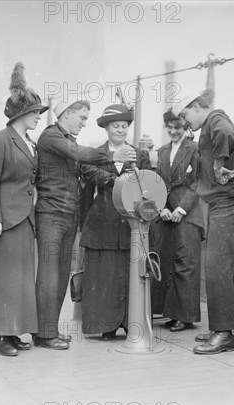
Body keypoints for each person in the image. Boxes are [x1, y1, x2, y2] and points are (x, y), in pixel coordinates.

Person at [34, 99, 137, 350]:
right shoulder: (51, 136)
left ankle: (49, 331)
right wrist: (114, 155)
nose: (84, 122)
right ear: (66, 114)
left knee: (59, 275)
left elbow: (85, 167)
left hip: (66, 215)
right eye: (81, 117)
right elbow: (80, 155)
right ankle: (44, 334)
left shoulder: (68, 140)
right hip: (52, 214)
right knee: (49, 274)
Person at [0, 62, 46, 356]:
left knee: (19, 280)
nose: (38, 118)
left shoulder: (30, 144)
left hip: (24, 221)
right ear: (21, 114)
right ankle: (0, 336)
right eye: (35, 113)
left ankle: (14, 332)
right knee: (2, 280)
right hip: (2, 223)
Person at [172, 90, 234, 354]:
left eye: (184, 116)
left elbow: (226, 134)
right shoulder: (208, 125)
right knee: (225, 265)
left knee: (215, 265)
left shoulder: (216, 120)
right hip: (220, 202)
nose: (183, 123)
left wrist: (219, 164)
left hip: (228, 202)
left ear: (195, 108)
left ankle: (224, 334)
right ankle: (229, 327)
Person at [79, 104, 152, 341]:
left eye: (124, 126)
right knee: (105, 275)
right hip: (102, 224)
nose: (120, 130)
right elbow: (87, 190)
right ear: (106, 128)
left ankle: (132, 323)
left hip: (131, 225)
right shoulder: (95, 154)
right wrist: (83, 225)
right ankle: (106, 326)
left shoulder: (139, 155)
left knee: (131, 274)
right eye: (115, 126)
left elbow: (148, 187)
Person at [151, 109, 204, 332]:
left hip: (188, 214)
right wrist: (161, 207)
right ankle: (171, 313)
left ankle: (186, 316)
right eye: (169, 127)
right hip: (166, 215)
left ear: (186, 128)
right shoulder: (162, 151)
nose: (173, 131)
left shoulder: (195, 149)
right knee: (168, 260)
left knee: (185, 264)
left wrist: (181, 208)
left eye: (178, 127)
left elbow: (199, 182)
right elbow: (158, 183)